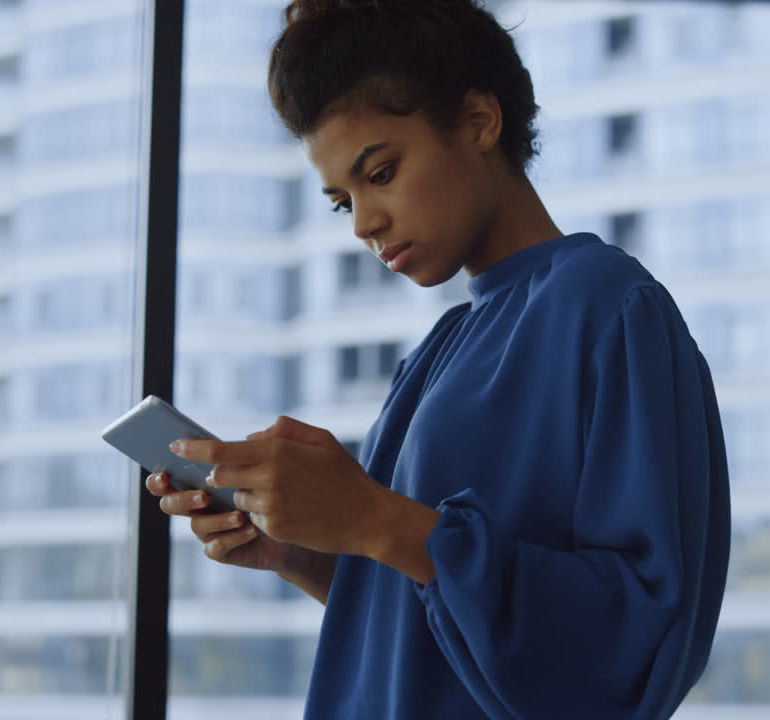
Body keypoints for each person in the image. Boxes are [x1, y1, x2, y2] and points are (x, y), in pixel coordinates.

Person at [146, 0, 732, 717]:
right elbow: (432, 615)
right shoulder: (435, 354)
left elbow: (638, 641)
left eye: (382, 172)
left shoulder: (608, 307)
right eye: (342, 201)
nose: (364, 223)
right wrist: (304, 554)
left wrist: (371, 517)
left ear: (481, 121)